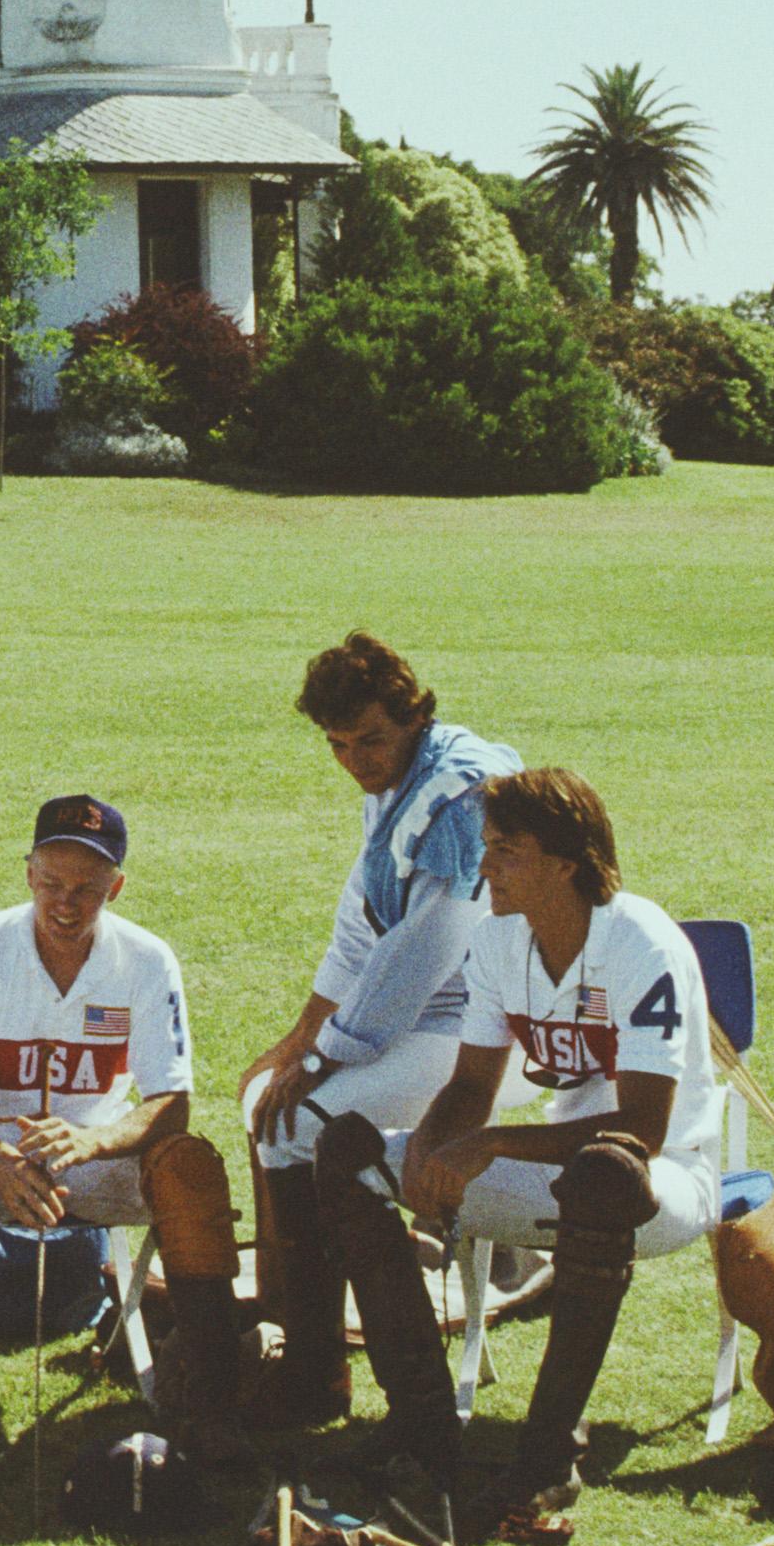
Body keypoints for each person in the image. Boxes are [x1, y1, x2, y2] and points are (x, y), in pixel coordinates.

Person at [380, 765, 723, 1543]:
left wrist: (492, 1141)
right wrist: (431, 1149)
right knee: (350, 1158)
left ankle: (546, 1457)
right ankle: (423, 1424)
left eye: (506, 851)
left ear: (565, 863)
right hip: (560, 1172)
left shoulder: (639, 940)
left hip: (667, 1181)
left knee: (605, 1172)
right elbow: (472, 1082)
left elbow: (642, 1128)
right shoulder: (500, 937)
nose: (485, 868)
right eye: (487, 849)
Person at [229, 630, 516, 1483]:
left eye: (370, 741)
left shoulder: (459, 792)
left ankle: (335, 1372)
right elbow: (360, 929)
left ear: (414, 716)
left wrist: (327, 1058)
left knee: (301, 1121)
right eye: (338, 746)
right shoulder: (396, 781)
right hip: (423, 1018)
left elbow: (426, 947)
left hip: (483, 1032)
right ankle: (315, 1359)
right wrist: (297, 1040)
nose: (354, 760)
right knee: (274, 1110)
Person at [0, 793, 245, 1470]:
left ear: (116, 886)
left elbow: (171, 1103)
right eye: (51, 882)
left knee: (190, 1166)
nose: (66, 902)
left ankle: (210, 1410)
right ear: (27, 872)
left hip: (95, 1152)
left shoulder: (146, 959)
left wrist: (95, 1141)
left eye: (87, 888)